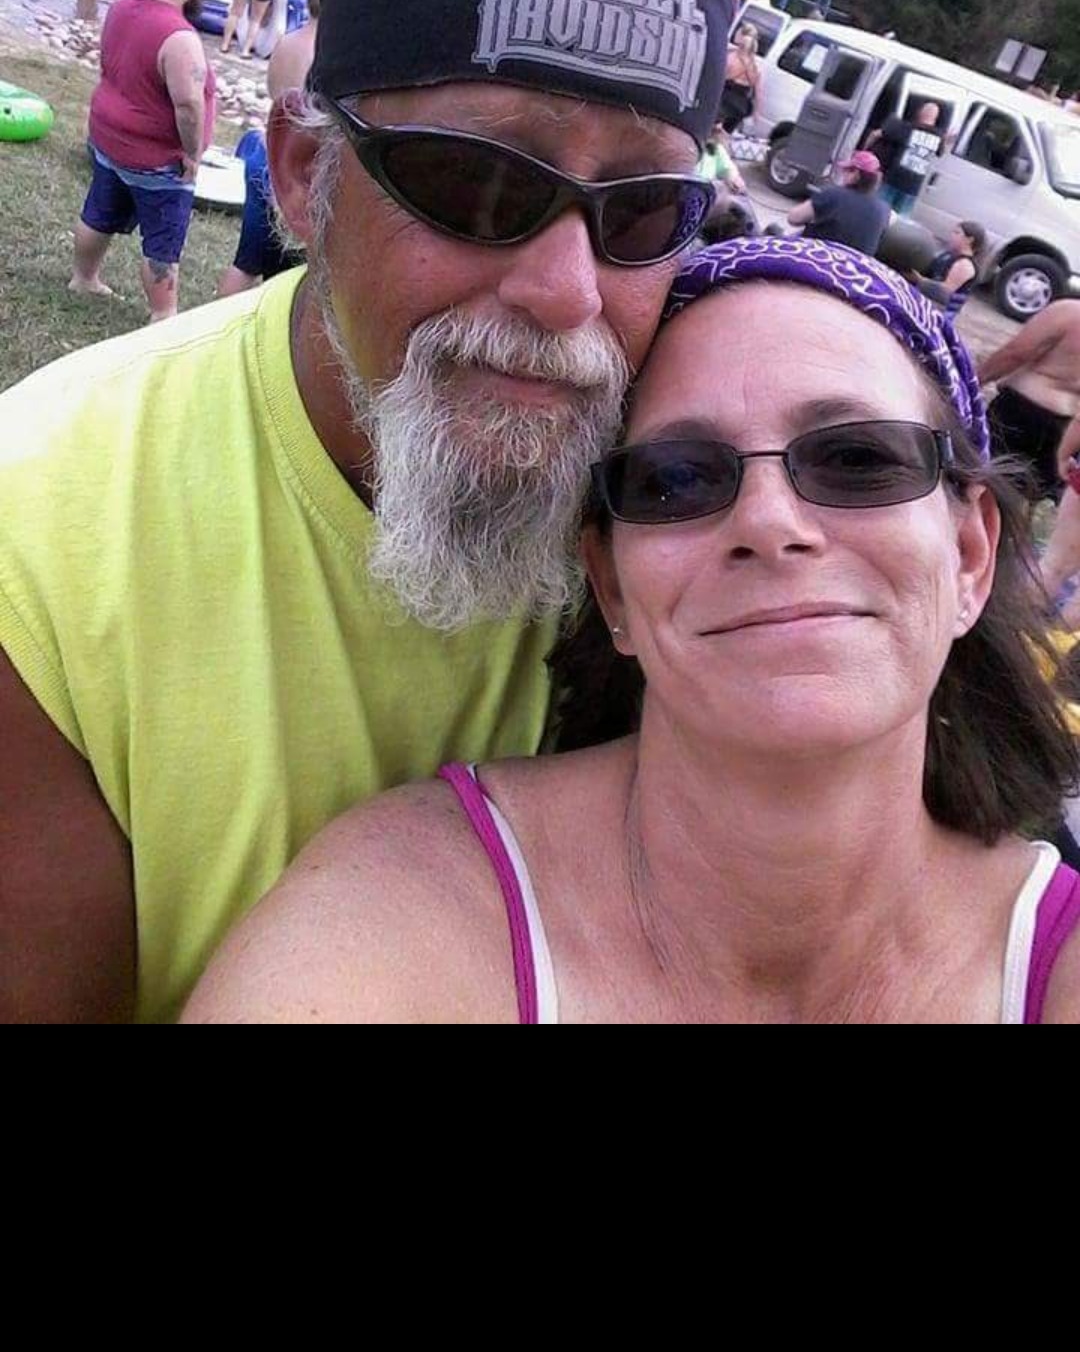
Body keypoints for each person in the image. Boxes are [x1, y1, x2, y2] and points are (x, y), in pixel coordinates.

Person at [0, 0, 729, 1021]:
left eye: (641, 210)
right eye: (479, 183)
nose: (569, 293)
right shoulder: (46, 549)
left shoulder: (715, 505)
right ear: (303, 175)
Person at [183, 237, 1080, 1024]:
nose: (770, 522)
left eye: (856, 458)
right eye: (678, 479)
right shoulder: (405, 916)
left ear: (969, 553)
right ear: (610, 583)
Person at [69, 0, 216, 322]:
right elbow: (188, 106)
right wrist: (192, 154)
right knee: (163, 242)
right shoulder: (180, 38)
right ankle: (163, 314)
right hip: (155, 158)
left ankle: (83, 278)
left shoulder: (121, 7)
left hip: (108, 136)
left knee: (98, 212)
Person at [217, 0, 327, 299]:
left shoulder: (286, 42)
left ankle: (217, 315)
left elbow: (272, 91)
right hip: (296, 167)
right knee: (295, 271)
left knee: (246, 261)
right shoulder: (326, 55)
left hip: (266, 153)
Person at [979, 298, 1080, 504]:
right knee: (1025, 497)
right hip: (1065, 427)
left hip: (1021, 410)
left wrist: (976, 379)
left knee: (983, 478)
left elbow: (1015, 353)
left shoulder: (1070, 313)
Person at [785, 151, 890, 255]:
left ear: (856, 174)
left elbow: (793, 218)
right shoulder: (884, 209)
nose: (843, 173)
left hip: (818, 257)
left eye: (846, 170)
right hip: (853, 264)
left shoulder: (832, 194)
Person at [865, 99, 946, 216]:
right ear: (935, 118)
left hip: (893, 180)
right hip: (913, 187)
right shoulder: (939, 137)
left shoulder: (909, 128)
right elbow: (941, 153)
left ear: (920, 113)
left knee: (876, 214)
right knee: (899, 222)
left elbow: (876, 134)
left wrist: (864, 150)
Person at [914, 221, 985, 317]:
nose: (952, 235)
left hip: (937, 314)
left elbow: (944, 290)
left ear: (969, 240)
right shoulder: (949, 255)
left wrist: (918, 280)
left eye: (957, 233)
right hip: (925, 303)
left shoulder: (965, 265)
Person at [717, 21, 762, 132]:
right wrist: (756, 113)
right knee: (725, 134)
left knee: (711, 131)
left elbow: (718, 79)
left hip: (723, 101)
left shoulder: (731, 57)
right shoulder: (755, 66)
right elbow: (758, 94)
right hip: (741, 107)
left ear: (741, 36)